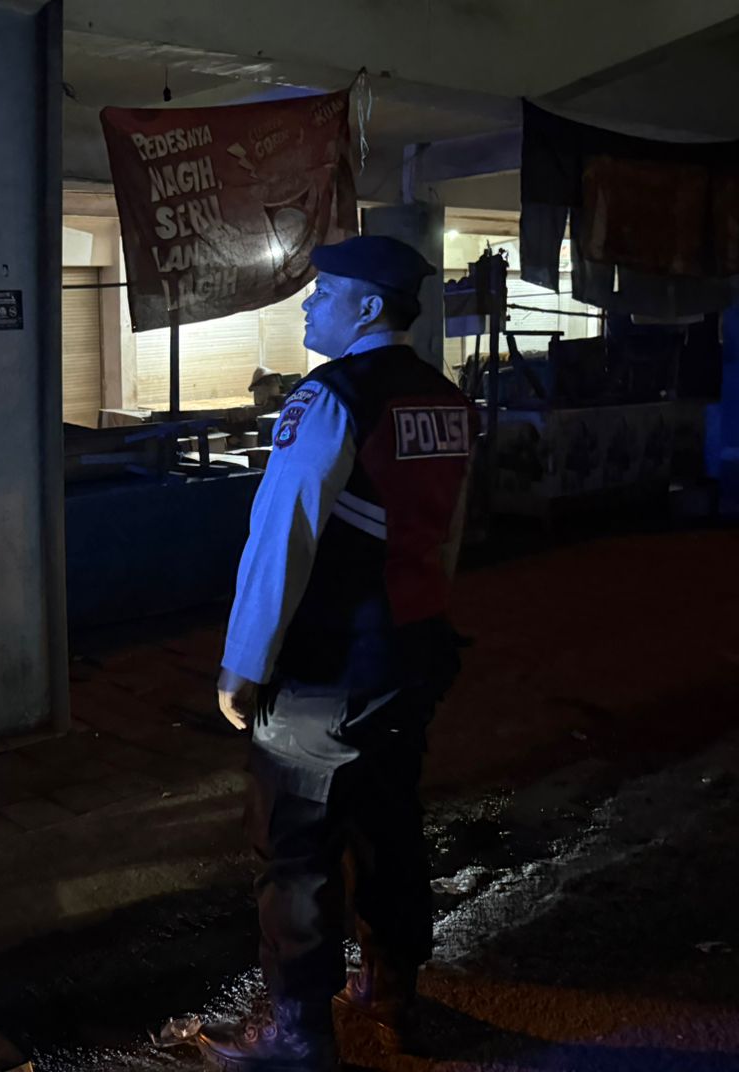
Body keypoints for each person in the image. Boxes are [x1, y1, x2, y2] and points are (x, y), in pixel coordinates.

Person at [202, 235, 477, 1072]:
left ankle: (297, 1033)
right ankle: (392, 996)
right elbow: (445, 537)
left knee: (295, 847)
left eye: (324, 293)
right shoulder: (446, 400)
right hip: (412, 656)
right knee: (389, 828)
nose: (309, 305)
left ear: (367, 308)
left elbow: (281, 535)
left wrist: (244, 663)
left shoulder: (331, 397)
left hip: (329, 670)